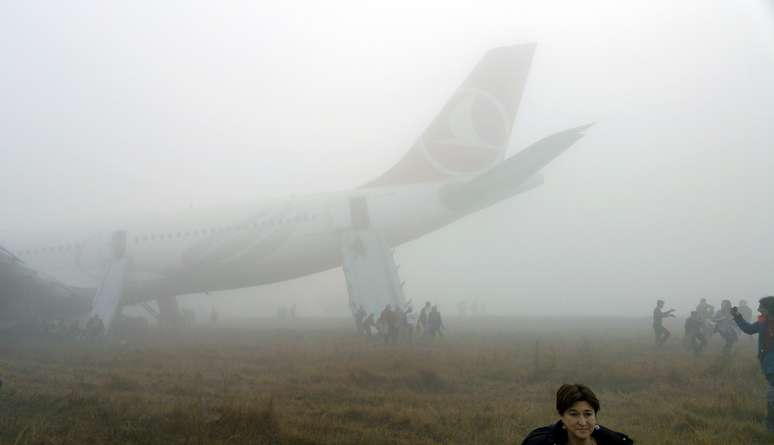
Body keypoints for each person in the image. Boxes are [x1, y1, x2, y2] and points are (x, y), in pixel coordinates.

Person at [520, 383, 633, 444]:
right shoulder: (540, 443)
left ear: (595, 415)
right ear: (561, 416)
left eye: (588, 414)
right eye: (574, 414)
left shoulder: (615, 442)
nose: (582, 422)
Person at [731, 296, 774, 433]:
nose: (758, 309)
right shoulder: (762, 321)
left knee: (772, 394)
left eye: (761, 306)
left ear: (768, 308)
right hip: (767, 362)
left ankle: (770, 426)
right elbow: (749, 329)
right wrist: (738, 316)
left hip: (771, 364)